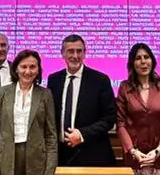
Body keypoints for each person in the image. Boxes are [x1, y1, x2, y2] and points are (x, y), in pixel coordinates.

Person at [0, 49, 57, 175]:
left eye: (32, 67)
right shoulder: (1, 93)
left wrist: (50, 170)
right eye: (23, 66)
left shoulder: (45, 95)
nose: (28, 71)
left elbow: (51, 136)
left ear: (38, 70)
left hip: (37, 163)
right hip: (6, 161)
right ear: (16, 69)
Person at [47, 34, 117, 167]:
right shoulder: (53, 80)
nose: (75, 56)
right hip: (61, 157)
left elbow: (110, 118)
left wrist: (82, 134)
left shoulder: (100, 80)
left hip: (92, 155)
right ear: (62, 53)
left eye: (79, 51)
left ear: (84, 53)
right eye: (70, 51)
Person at [115, 43, 160, 175]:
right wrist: (133, 151)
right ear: (132, 63)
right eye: (138, 58)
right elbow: (120, 123)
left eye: (146, 57)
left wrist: (159, 149)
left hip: (159, 157)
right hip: (135, 158)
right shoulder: (125, 88)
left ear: (152, 61)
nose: (143, 62)